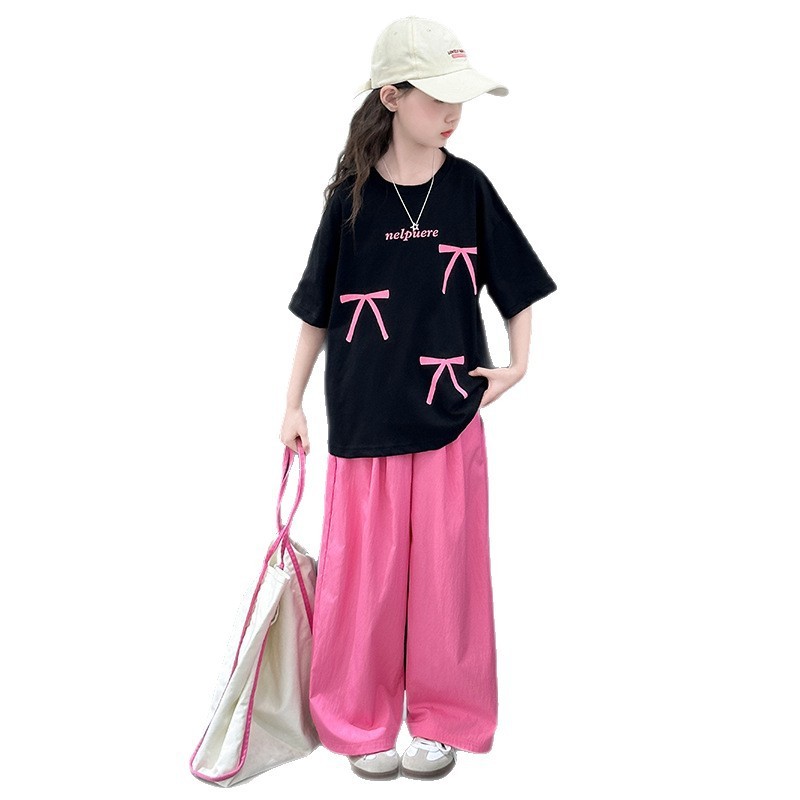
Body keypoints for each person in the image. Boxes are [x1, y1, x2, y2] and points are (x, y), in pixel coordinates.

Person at [281, 16, 557, 781]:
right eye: (437, 97)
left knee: (448, 580)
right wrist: (292, 403)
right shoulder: (350, 200)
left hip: (448, 417)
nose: (453, 113)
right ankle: (357, 718)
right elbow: (317, 310)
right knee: (361, 583)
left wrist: (517, 366)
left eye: (458, 99)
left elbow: (517, 285)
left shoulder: (468, 189)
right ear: (392, 96)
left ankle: (446, 719)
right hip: (363, 417)